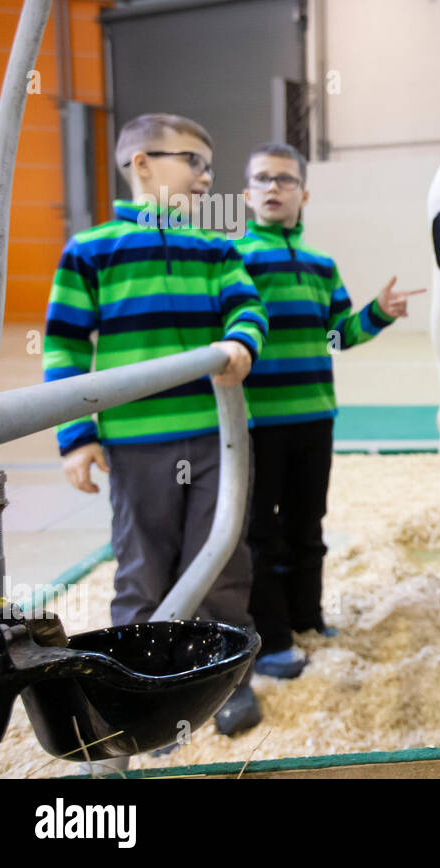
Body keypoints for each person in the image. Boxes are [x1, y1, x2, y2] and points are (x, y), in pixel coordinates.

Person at [43, 113, 269, 736]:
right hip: (137, 445)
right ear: (141, 165)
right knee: (143, 569)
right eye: (191, 161)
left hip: (218, 435)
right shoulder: (91, 250)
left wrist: (242, 341)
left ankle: (225, 684)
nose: (206, 175)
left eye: (208, 164)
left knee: (223, 560)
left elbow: (247, 306)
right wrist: (77, 436)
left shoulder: (216, 246)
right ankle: (143, 701)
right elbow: (62, 347)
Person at [235, 142, 421, 679]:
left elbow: (338, 335)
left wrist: (378, 315)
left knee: (308, 523)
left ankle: (307, 618)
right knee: (259, 532)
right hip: (256, 423)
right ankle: (271, 641)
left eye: (285, 180)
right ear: (247, 193)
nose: (273, 187)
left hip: (315, 418)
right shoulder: (235, 259)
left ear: (304, 194)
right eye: (262, 178)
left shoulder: (321, 266)